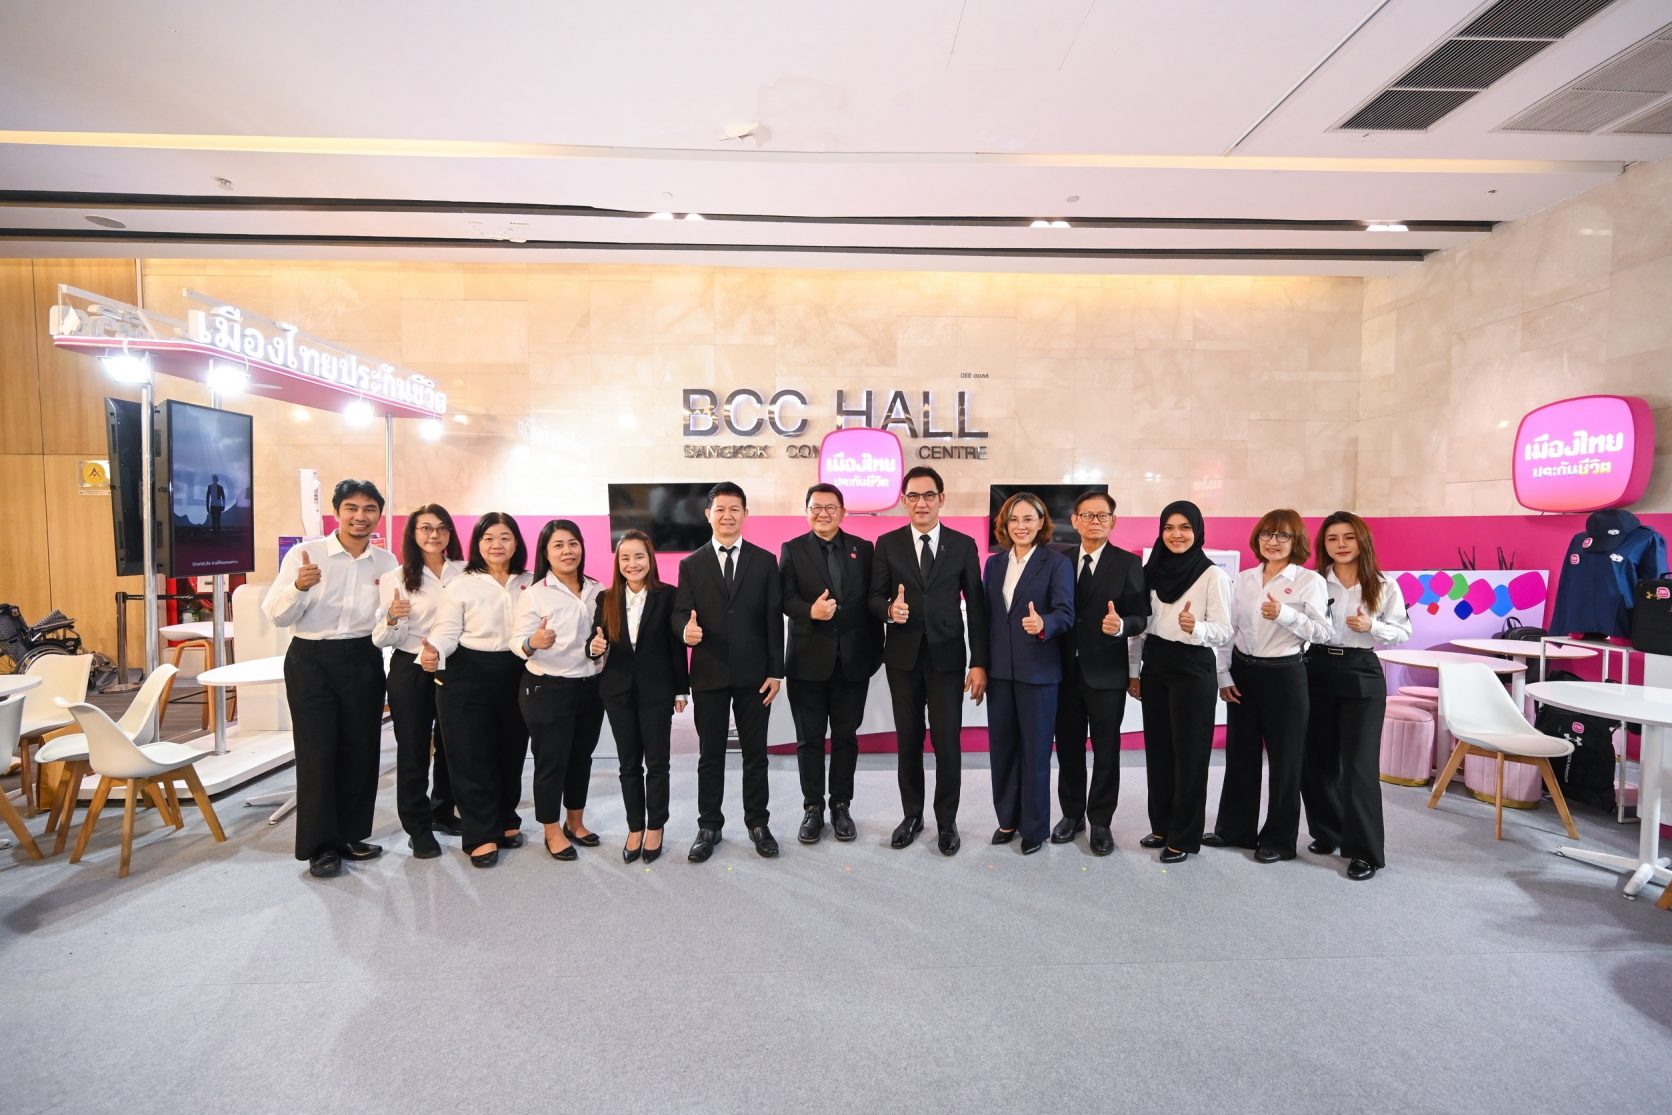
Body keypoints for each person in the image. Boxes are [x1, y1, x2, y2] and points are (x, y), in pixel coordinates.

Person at [262, 479, 398, 879]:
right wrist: (299, 587)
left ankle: (350, 836)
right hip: (311, 659)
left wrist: (395, 620)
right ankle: (320, 846)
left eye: (369, 509)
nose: (360, 516)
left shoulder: (386, 562)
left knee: (361, 751)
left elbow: (385, 620)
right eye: (351, 508)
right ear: (336, 512)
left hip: (363, 657)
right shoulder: (306, 554)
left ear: (379, 515)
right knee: (318, 753)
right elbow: (276, 615)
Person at [868, 465, 989, 856]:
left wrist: (979, 661)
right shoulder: (887, 544)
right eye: (913, 496)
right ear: (904, 501)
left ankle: (947, 821)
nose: (921, 503)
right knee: (908, 741)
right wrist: (890, 611)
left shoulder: (963, 545)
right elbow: (873, 598)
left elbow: (977, 607)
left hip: (947, 659)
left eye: (928, 495)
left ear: (941, 499)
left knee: (946, 742)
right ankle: (912, 816)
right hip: (902, 659)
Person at [1205, 509, 1329, 863]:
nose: (1273, 542)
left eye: (1282, 535)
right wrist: (1223, 674)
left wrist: (1286, 615)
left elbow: (1323, 632)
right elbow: (1228, 630)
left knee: (1285, 761)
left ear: (1296, 541)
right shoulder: (1244, 579)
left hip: (1285, 676)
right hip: (1243, 673)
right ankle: (1235, 830)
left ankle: (1279, 840)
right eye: (1267, 534)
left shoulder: (1309, 581)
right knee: (1240, 756)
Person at [673, 482, 785, 863]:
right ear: (708, 515)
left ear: (745, 514)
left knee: (756, 755)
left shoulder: (765, 561)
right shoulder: (691, 565)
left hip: (756, 676)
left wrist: (776, 671)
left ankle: (758, 823)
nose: (727, 515)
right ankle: (709, 825)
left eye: (734, 508)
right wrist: (684, 631)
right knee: (710, 756)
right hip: (709, 674)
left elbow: (773, 619)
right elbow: (680, 612)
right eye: (720, 509)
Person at [1301, 511, 1412, 881]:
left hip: (1361, 671)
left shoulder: (1383, 584)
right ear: (1324, 545)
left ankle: (1364, 851)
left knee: (1359, 766)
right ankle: (1328, 832)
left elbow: (1403, 632)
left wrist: (1372, 626)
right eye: (1333, 538)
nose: (1341, 545)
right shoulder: (1314, 582)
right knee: (1317, 762)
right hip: (1316, 668)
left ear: (1362, 540)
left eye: (1348, 537)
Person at [422, 513, 534, 868]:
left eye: (504, 537)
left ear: (516, 542)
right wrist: (434, 650)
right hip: (467, 673)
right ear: (477, 544)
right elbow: (446, 631)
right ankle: (480, 833)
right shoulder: (461, 584)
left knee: (511, 752)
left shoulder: (531, 582)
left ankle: (505, 818)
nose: (496, 544)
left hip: (517, 671)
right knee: (471, 756)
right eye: (488, 538)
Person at [1128, 501, 1232, 864]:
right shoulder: (1151, 571)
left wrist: (1197, 628)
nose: (1176, 535)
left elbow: (1225, 631)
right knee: (1158, 751)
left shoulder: (1212, 575)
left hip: (1193, 666)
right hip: (1156, 663)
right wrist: (1133, 671)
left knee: (1190, 755)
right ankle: (1162, 826)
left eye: (1185, 527)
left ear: (1197, 531)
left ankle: (1184, 836)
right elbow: (1140, 628)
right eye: (1169, 527)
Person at [780, 483, 883, 844]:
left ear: (843, 511)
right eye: (816, 507)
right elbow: (784, 598)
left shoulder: (862, 549)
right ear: (806, 511)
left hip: (852, 663)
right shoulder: (792, 549)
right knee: (809, 739)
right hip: (807, 662)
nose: (823, 513)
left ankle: (841, 805)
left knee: (845, 738)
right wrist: (810, 611)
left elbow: (872, 600)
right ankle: (813, 807)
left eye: (830, 507)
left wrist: (874, 653)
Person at [1052, 491, 1149, 855]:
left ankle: (1101, 821)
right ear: (1074, 520)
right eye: (1087, 515)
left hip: (1106, 673)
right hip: (1063, 672)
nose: (1095, 522)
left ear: (1113, 521)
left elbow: (1141, 616)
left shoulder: (1128, 564)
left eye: (1102, 516)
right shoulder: (1058, 560)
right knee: (1068, 748)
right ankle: (1071, 814)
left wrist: (1121, 625)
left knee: (1107, 751)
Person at [372, 503, 465, 860]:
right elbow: (383, 638)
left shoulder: (464, 572)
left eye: (441, 527)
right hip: (411, 667)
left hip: (454, 666)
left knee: (451, 745)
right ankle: (418, 827)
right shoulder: (396, 578)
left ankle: (443, 810)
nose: (434, 534)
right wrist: (392, 619)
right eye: (425, 528)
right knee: (413, 750)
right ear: (413, 533)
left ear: (450, 533)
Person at [983, 492, 1074, 854]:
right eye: (1014, 519)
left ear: (1041, 524)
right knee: (1002, 750)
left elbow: (1065, 613)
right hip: (1000, 673)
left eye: (1028, 519)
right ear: (1004, 524)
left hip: (1039, 672)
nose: (1020, 526)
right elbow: (987, 619)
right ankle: (1007, 819)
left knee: (1035, 752)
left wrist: (1043, 624)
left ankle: (1034, 827)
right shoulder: (993, 564)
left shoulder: (1057, 563)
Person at [590, 530, 688, 864]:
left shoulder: (668, 595)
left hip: (657, 691)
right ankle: (635, 826)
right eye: (625, 557)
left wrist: (681, 688)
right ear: (618, 562)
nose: (632, 563)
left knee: (657, 763)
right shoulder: (606, 599)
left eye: (639, 556)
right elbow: (596, 640)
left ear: (650, 559)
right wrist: (593, 647)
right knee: (628, 764)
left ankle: (656, 825)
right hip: (617, 692)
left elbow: (676, 647)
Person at [513, 520, 606, 862]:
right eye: (559, 545)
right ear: (546, 552)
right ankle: (551, 830)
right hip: (547, 688)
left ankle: (575, 823)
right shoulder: (535, 593)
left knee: (582, 758)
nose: (568, 551)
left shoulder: (598, 589)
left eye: (573, 543)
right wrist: (532, 642)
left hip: (590, 686)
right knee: (552, 762)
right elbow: (517, 642)